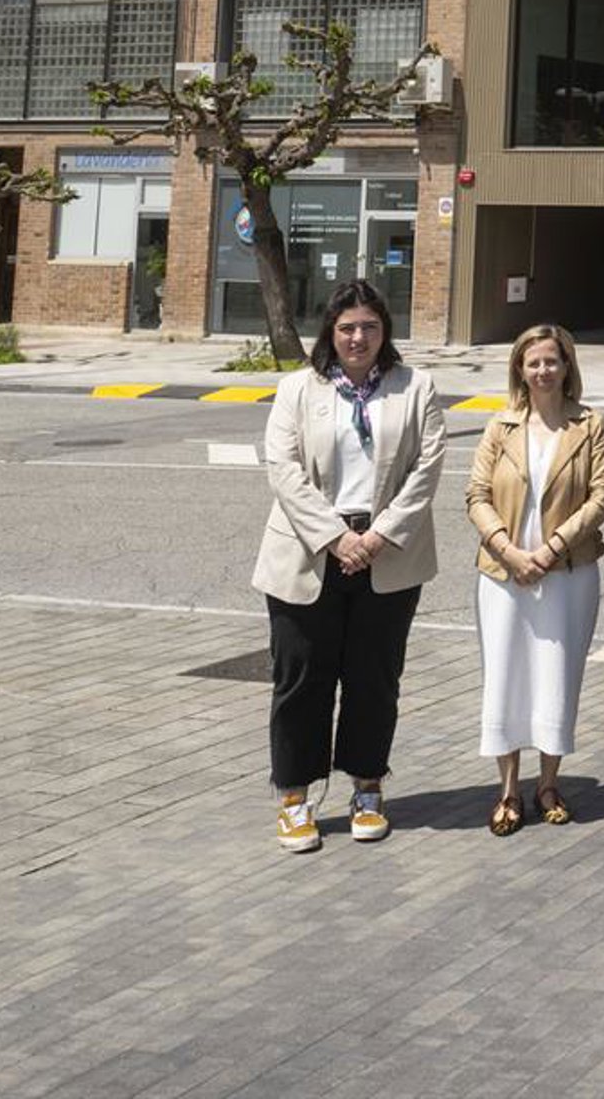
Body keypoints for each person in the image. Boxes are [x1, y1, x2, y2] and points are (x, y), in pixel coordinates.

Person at [253, 277, 447, 854]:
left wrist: (378, 534)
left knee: (374, 680)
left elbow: (428, 468)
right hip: (308, 553)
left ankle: (367, 788)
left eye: (369, 327)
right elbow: (283, 469)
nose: (358, 338)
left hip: (388, 555)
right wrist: (336, 537)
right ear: (330, 333)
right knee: (300, 681)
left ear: (385, 331)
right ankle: (294, 796)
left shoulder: (415, 387)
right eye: (346, 328)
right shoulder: (298, 389)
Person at [467, 322, 604, 834]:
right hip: (503, 576)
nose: (543, 370)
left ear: (567, 365)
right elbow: (476, 496)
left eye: (552, 360)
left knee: (557, 677)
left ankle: (548, 784)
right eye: (533, 362)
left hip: (568, 574)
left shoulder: (589, 425)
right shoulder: (500, 426)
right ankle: (508, 790)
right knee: (505, 676)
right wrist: (509, 552)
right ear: (520, 368)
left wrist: (553, 548)